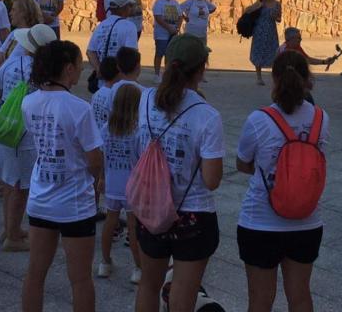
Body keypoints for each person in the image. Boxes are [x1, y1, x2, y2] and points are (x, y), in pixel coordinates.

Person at [135, 35, 224, 312]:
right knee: (183, 294)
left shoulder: (146, 98)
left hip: (151, 209)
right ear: (201, 69)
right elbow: (211, 180)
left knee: (149, 285)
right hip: (193, 215)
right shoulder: (207, 115)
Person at [235, 50, 329, 312]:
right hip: (307, 223)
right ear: (307, 79)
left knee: (261, 299)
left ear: (275, 79)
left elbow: (243, 163)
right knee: (300, 296)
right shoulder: (322, 119)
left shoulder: (259, 120)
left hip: (260, 222)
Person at [21, 40, 103, 312]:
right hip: (75, 203)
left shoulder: (28, 101)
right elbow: (94, 159)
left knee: (35, 272)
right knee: (80, 279)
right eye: (80, 65)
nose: (81, 71)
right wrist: (97, 185)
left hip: (40, 197)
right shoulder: (79, 108)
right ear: (68, 68)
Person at [0, 24, 56, 252]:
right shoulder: (42, 72)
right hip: (25, 132)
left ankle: (9, 228)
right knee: (20, 185)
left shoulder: (10, 63)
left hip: (4, 124)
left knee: (9, 181)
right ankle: (13, 236)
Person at [96, 47, 144, 284]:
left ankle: (104, 262)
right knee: (133, 227)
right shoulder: (137, 132)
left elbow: (102, 156)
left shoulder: (107, 130)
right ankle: (137, 267)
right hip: (132, 185)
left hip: (113, 181)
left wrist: (102, 178)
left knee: (110, 222)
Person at [86, 0, 139, 82]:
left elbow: (90, 51)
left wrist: (98, 69)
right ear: (124, 8)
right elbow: (131, 54)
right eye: (130, 6)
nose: (131, 8)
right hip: (120, 80)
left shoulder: (101, 25)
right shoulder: (129, 26)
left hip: (103, 80)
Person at [0, 0, 43, 70]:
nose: (10, 13)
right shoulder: (14, 33)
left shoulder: (34, 36)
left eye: (13, 10)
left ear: (24, 12)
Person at [246, 0, 282, 87]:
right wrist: (258, 5)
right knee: (258, 51)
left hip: (271, 30)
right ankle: (259, 77)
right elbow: (248, 10)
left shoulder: (277, 4)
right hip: (259, 30)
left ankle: (274, 78)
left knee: (274, 52)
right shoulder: (261, 2)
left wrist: (275, 17)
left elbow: (279, 19)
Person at [152, 0, 182, 82]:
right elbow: (158, 17)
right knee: (160, 53)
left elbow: (180, 16)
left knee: (170, 54)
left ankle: (167, 73)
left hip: (173, 32)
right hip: (161, 33)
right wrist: (168, 27)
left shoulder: (175, 3)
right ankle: (157, 74)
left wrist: (177, 27)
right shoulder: (158, 3)